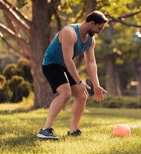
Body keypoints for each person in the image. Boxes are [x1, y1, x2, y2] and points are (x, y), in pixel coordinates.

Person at [37, 11, 108, 140]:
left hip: (64, 66)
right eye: (99, 28)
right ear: (92, 23)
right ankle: (45, 130)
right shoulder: (69, 32)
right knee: (65, 93)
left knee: (82, 95)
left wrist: (96, 85)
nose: (99, 31)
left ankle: (73, 130)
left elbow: (91, 63)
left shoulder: (90, 40)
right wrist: (79, 82)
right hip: (51, 64)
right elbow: (68, 60)